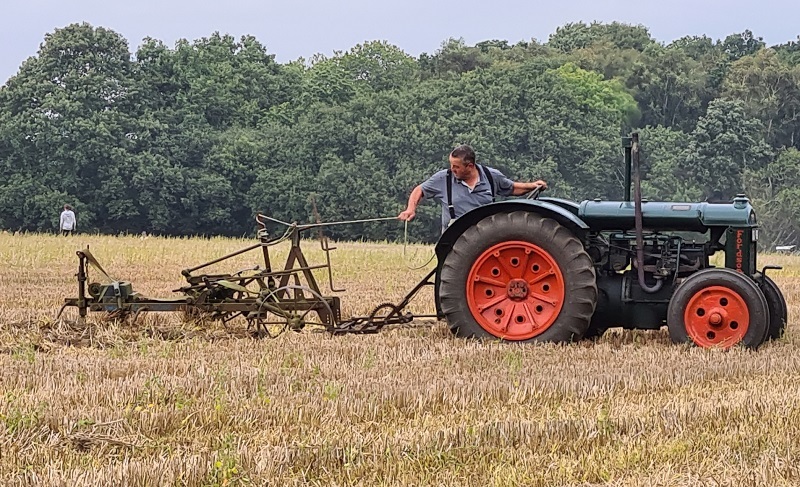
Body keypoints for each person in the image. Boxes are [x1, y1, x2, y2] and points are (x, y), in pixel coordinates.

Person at [398, 145, 547, 233]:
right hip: (455, 242)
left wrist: (533, 186)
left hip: (485, 238)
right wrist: (410, 209)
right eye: (451, 165)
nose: (452, 169)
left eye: (456, 166)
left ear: (470, 166)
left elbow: (512, 188)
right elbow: (419, 190)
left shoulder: (491, 176)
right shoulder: (443, 178)